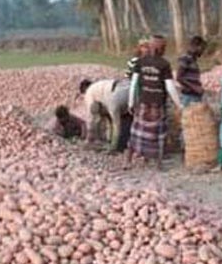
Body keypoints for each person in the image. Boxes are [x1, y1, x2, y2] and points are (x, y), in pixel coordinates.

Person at [126, 35, 182, 170]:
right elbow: (169, 86)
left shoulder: (140, 61)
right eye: (164, 47)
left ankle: (128, 161)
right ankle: (158, 164)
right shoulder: (164, 64)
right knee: (158, 134)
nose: (165, 50)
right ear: (160, 48)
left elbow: (134, 83)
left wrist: (130, 102)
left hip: (143, 103)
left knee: (136, 132)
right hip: (158, 105)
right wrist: (179, 104)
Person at [78, 76, 131, 152]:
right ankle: (116, 142)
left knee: (117, 123)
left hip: (118, 96)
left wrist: (113, 146)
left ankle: (116, 145)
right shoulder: (99, 89)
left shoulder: (90, 94)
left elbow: (93, 117)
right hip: (125, 87)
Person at [176, 36, 206, 107]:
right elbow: (179, 77)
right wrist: (195, 87)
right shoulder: (186, 58)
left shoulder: (193, 60)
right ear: (196, 47)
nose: (202, 51)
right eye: (202, 48)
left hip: (194, 95)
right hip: (189, 96)